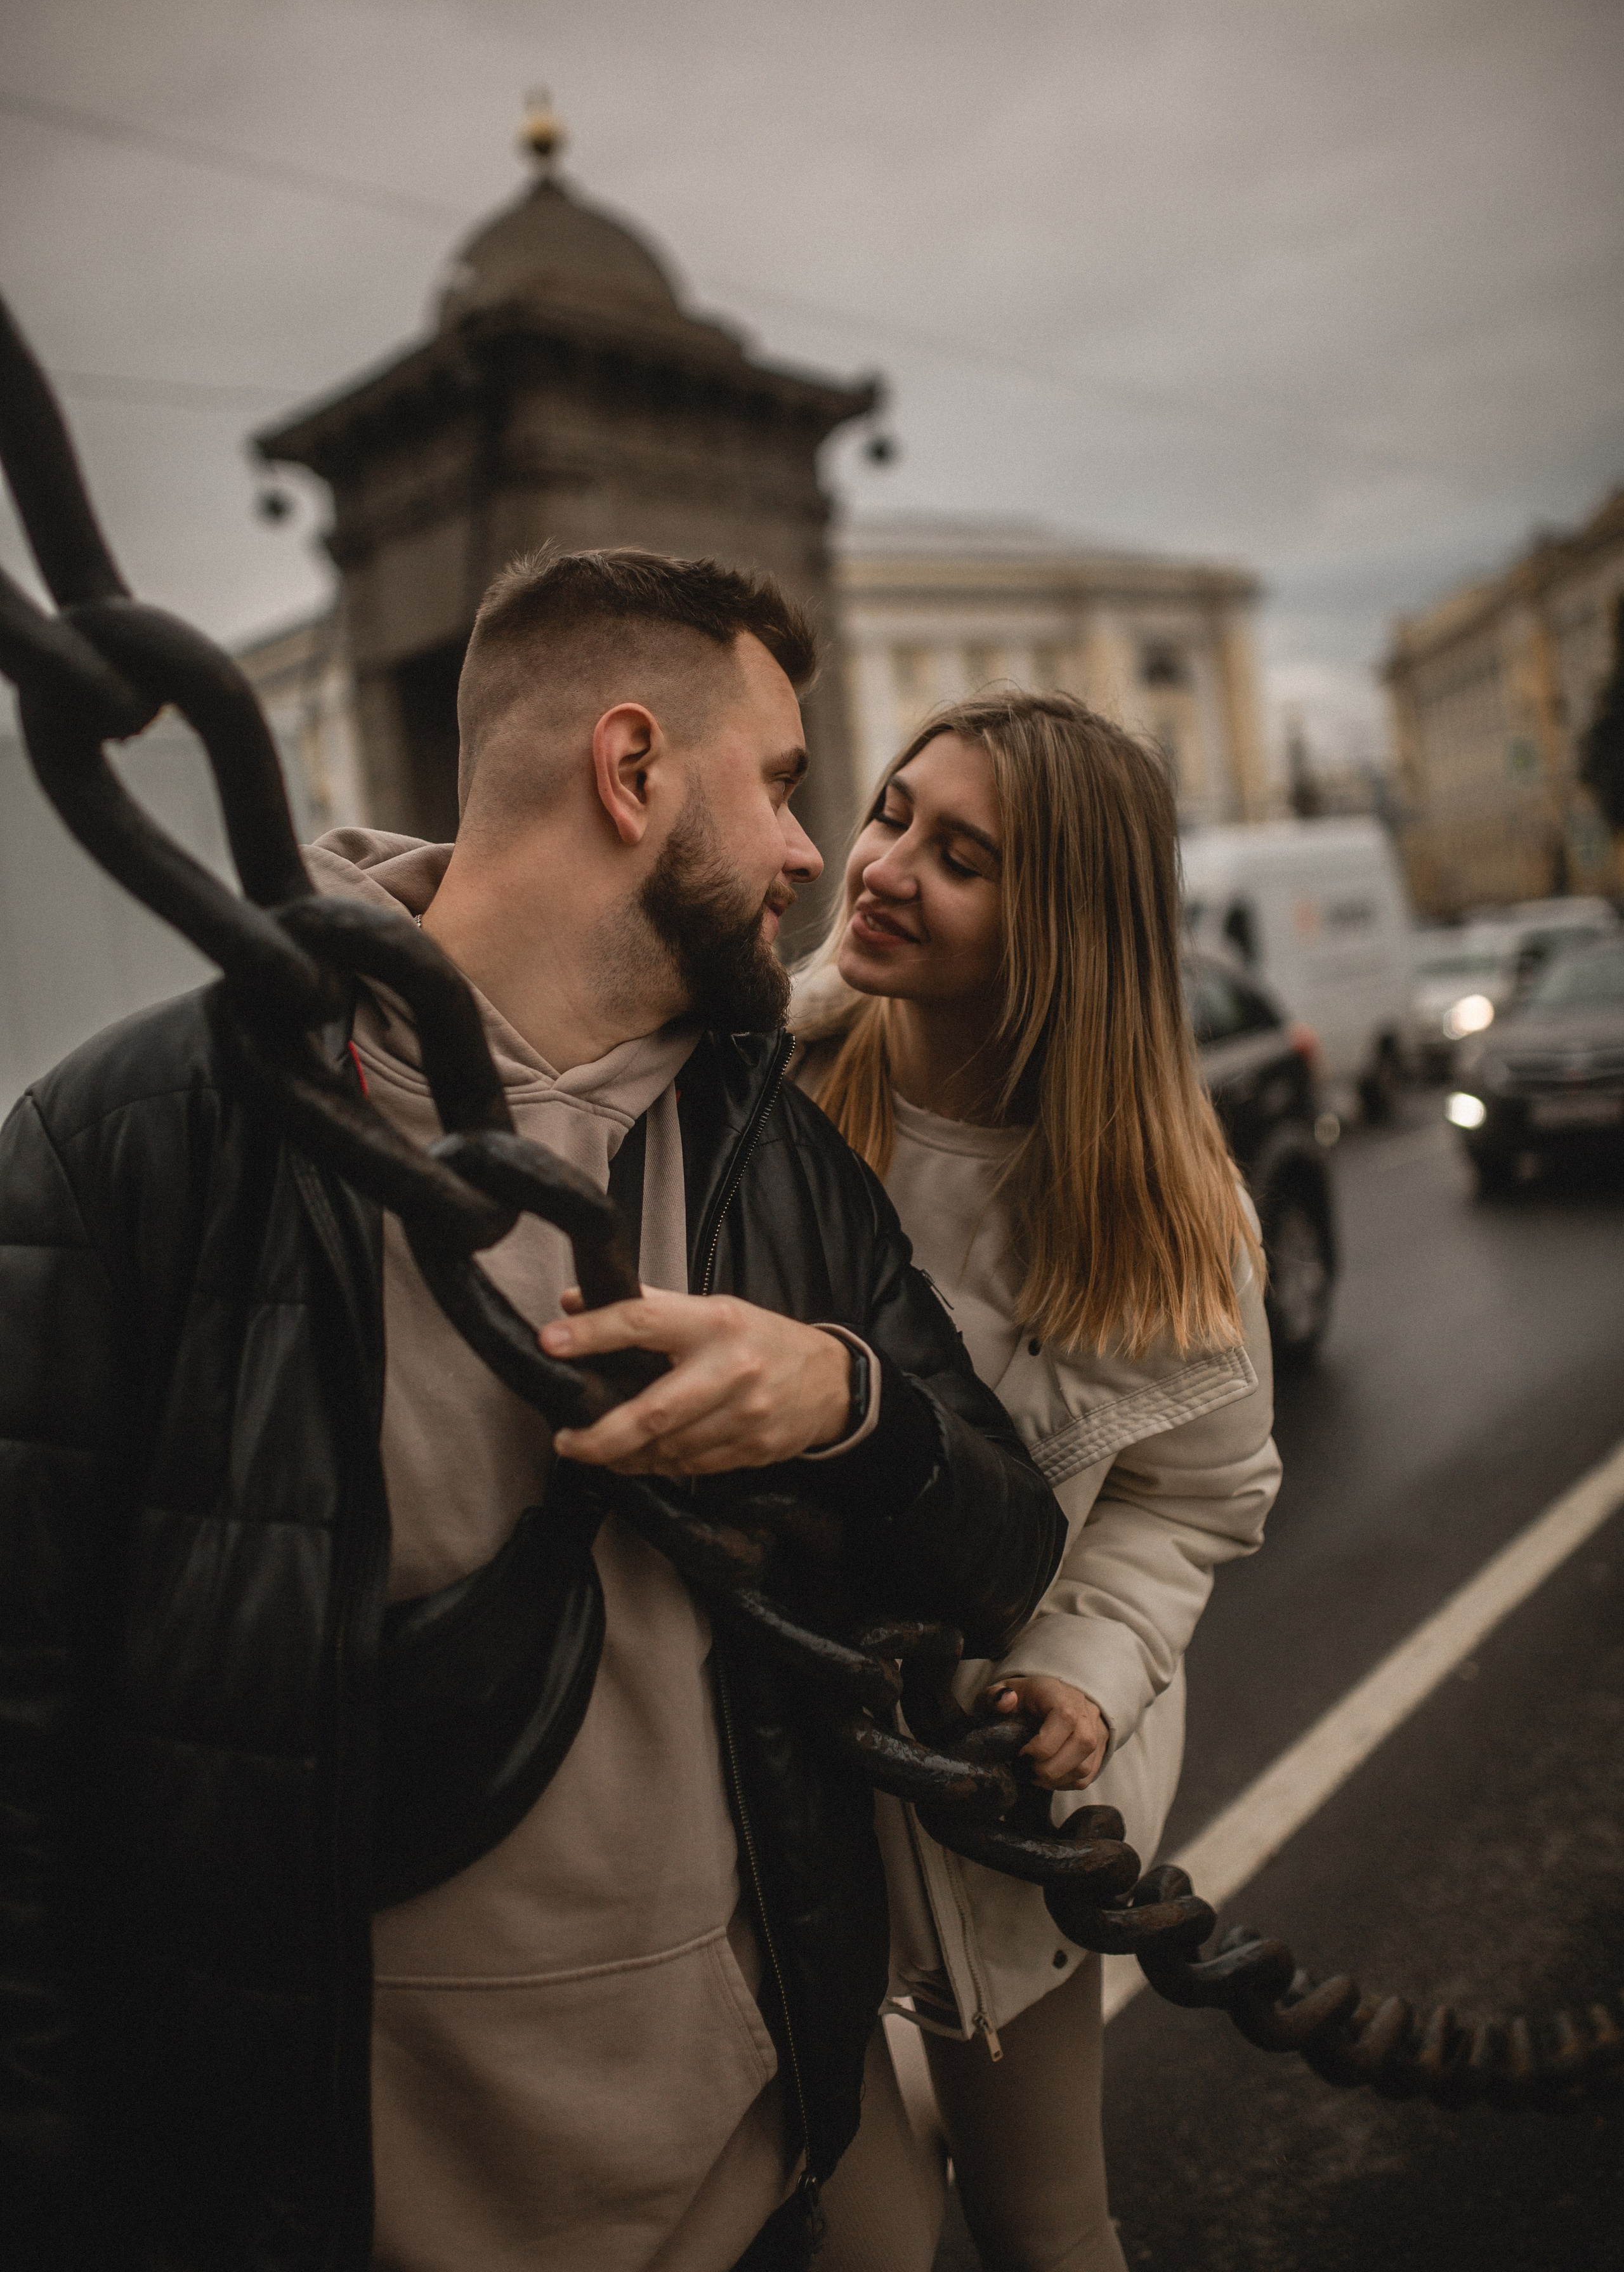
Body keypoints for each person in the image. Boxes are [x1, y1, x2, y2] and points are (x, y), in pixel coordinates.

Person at [0, 554, 1065, 2272]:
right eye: (785, 785)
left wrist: (849, 1405)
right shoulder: (140, 1142)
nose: (815, 854)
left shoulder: (774, 1154)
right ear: (632, 772)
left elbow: (1004, 1543)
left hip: (743, 2194)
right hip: (312, 2209)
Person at [792, 689, 1282, 2272]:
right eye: (887, 813)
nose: (881, 864)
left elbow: (1188, 1499)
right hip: (761, 1767)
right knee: (856, 2232)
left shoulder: (1163, 1212)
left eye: (961, 855)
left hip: (991, 1795)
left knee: (1041, 2218)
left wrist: (1081, 1669)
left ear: (1063, 918)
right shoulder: (775, 1078)